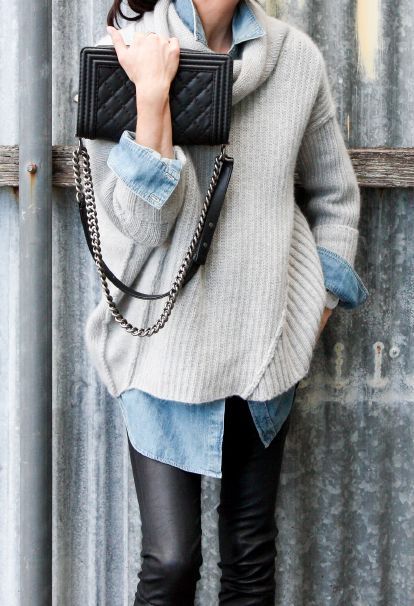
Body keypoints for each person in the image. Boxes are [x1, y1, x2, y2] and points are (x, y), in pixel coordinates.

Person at [82, 0, 369, 603]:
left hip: (263, 348)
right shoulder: (126, 54)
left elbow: (335, 199)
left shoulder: (294, 60)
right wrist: (153, 96)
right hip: (159, 350)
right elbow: (142, 227)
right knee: (170, 562)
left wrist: (311, 311)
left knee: (249, 558)